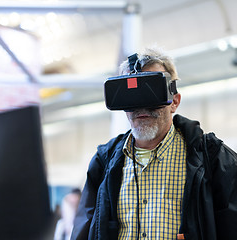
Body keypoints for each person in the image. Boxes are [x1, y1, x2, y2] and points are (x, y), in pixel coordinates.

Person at [71, 46, 237, 240]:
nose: (141, 106)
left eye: (151, 92)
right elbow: (85, 228)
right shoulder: (104, 162)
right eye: (132, 97)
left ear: (174, 101)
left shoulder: (212, 158)